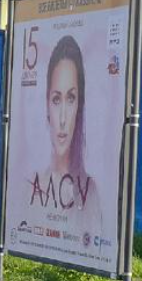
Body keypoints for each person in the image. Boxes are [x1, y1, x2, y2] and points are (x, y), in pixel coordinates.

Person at [34, 34, 102, 236]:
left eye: (71, 99)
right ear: (47, 105)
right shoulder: (31, 188)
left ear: (79, 106)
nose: (63, 118)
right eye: (56, 100)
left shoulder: (90, 193)